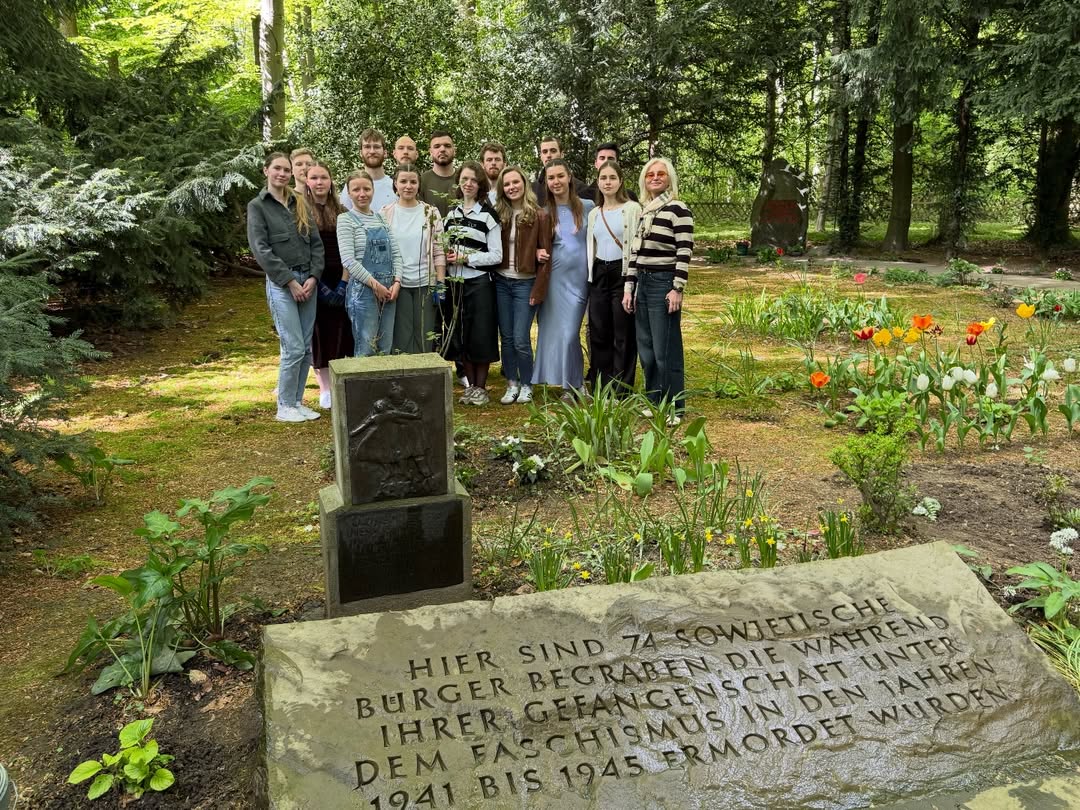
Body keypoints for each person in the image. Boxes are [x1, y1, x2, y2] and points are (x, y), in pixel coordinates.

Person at [247, 152, 324, 423]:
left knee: (306, 347)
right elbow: (262, 250)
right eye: (277, 169)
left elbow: (316, 244)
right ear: (266, 170)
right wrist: (290, 282)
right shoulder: (258, 207)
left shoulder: (299, 202)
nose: (282, 174)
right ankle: (284, 405)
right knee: (292, 346)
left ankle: (297, 401)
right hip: (283, 285)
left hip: (308, 282)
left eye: (286, 170)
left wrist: (313, 277)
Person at [624, 157, 693, 420]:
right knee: (647, 348)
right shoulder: (645, 212)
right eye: (650, 174)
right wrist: (629, 287)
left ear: (670, 178)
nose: (654, 177)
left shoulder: (678, 209)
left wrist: (677, 288)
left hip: (664, 284)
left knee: (667, 350)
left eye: (660, 174)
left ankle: (675, 407)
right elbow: (635, 253)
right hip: (642, 283)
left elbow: (684, 252)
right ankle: (655, 401)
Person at [531, 159, 594, 397]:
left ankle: (575, 383)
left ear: (569, 177)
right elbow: (534, 243)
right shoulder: (544, 213)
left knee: (570, 333)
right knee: (558, 333)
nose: (556, 181)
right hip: (554, 280)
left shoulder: (588, 207)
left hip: (581, 280)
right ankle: (572, 386)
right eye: (551, 178)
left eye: (560, 176)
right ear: (546, 183)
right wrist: (537, 251)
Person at [443, 161, 502, 405]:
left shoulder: (488, 216)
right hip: (456, 284)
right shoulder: (451, 216)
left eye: (473, 181)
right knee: (461, 334)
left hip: (480, 283)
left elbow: (497, 255)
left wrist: (466, 258)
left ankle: (481, 386)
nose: (468, 184)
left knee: (481, 334)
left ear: (480, 186)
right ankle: (469, 386)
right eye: (464, 179)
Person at [493, 166, 552, 404]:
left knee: (520, 337)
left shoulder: (539, 216)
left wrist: (538, 290)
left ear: (524, 184)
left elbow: (547, 258)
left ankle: (527, 383)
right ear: (502, 189)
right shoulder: (499, 215)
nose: (511, 187)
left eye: (515, 182)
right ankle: (512, 383)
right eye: (507, 184)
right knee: (506, 337)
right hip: (500, 282)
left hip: (524, 285)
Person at [586, 159, 641, 391]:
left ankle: (622, 387)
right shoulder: (594, 213)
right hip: (599, 272)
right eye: (603, 178)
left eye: (612, 178)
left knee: (623, 333)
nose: (607, 182)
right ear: (598, 182)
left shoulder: (632, 209)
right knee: (599, 330)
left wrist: (633, 280)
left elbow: (638, 244)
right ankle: (602, 384)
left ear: (620, 182)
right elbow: (593, 246)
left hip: (623, 272)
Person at [380, 162, 447, 354]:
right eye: (403, 181)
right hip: (397, 285)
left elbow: (439, 250)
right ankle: (403, 380)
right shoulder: (385, 213)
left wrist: (440, 283)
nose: (408, 186)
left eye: (413, 182)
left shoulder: (431, 213)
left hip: (425, 283)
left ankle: (423, 380)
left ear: (419, 185)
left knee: (424, 335)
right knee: (401, 336)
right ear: (395, 184)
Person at [337, 171, 404, 356]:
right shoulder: (345, 220)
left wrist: (397, 282)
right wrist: (375, 285)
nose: (362, 193)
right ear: (349, 193)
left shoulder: (381, 218)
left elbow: (396, 254)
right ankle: (364, 386)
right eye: (356, 189)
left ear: (373, 190)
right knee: (366, 349)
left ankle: (383, 386)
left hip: (389, 291)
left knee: (384, 348)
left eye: (366, 188)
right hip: (363, 292)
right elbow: (349, 261)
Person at [304, 162, 353, 408]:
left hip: (342, 276)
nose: (320, 182)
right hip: (315, 278)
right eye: (314, 177)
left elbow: (349, 248)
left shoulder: (343, 211)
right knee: (320, 333)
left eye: (324, 177)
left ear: (331, 181)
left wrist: (345, 280)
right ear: (307, 181)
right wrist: (316, 280)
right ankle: (324, 389)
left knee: (343, 331)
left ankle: (341, 384)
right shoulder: (300, 211)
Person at [340, 129, 396, 212]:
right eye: (367, 147)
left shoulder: (395, 187)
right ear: (361, 153)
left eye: (376, 147)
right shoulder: (351, 187)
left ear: (385, 153)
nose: (372, 151)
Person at [531, 136, 589, 206]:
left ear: (562, 154)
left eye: (553, 151)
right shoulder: (532, 189)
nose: (548, 155)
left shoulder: (580, 188)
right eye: (545, 152)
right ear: (541, 156)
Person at [420, 130, 458, 216]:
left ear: (454, 150)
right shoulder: (421, 181)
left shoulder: (465, 180)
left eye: (447, 146)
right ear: (431, 152)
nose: (442, 149)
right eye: (437, 146)